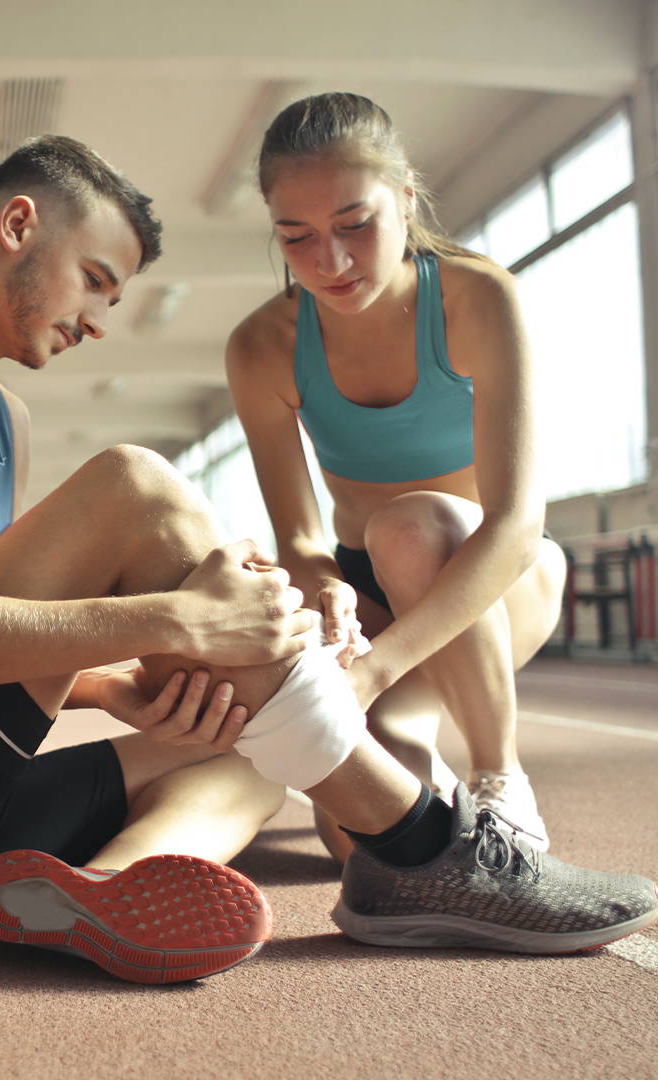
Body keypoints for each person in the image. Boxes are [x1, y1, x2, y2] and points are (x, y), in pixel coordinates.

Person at [0, 135, 656, 986]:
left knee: (250, 742)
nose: (100, 321)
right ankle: (421, 844)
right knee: (133, 485)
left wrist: (116, 687)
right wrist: (173, 623)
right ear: (19, 226)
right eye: (96, 281)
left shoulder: (7, 423)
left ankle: (98, 892)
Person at [226, 92, 568, 860]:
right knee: (361, 841)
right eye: (296, 236)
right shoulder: (262, 346)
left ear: (406, 199)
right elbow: (303, 535)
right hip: (371, 593)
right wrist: (327, 589)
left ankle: (498, 776)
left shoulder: (479, 298)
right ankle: (422, 761)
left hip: (496, 576)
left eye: (355, 225)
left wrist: (376, 670)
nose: (330, 261)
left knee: (412, 526)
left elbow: (515, 526)